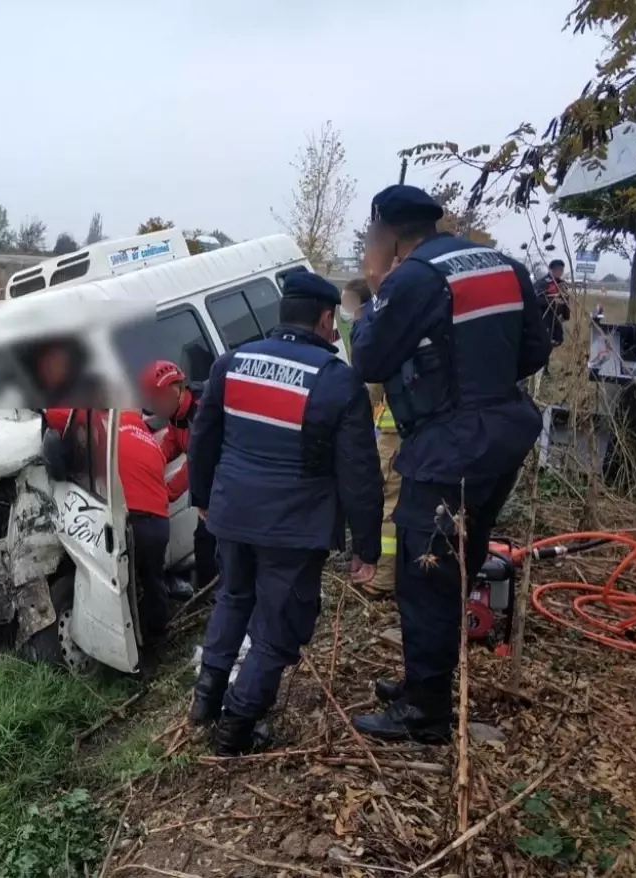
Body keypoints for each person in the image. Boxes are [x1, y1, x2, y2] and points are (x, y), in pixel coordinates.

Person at [349, 185, 551, 743]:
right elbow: (534, 351)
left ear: (387, 233)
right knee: (462, 560)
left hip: (450, 449)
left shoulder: (412, 278)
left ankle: (427, 711)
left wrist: (373, 288)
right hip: (504, 435)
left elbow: (367, 357)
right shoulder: (504, 264)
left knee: (427, 573)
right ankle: (425, 680)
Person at [186, 271, 383, 756]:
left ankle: (205, 703)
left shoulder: (230, 364)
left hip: (230, 515)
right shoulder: (337, 380)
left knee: (233, 599)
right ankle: (235, 728)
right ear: (323, 319)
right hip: (293, 529)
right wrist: (368, 545)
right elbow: (359, 472)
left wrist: (203, 498)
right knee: (277, 627)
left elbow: (202, 438)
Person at [42, 406, 181, 642]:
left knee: (121, 587)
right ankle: (158, 637)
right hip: (159, 523)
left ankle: (129, 647)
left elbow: (62, 415)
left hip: (130, 519)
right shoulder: (149, 440)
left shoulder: (107, 430)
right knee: (153, 580)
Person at [139, 360, 217, 599]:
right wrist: (150, 463)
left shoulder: (202, 411)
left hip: (223, 484)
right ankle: (209, 593)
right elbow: (172, 443)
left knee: (211, 542)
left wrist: (165, 493)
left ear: (173, 391)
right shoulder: (177, 415)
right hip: (210, 486)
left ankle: (215, 596)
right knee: (205, 542)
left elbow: (196, 462)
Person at [340, 278, 397, 599]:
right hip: (391, 431)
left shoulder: (379, 332)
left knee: (388, 502)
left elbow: (370, 386)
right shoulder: (386, 324)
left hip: (393, 434)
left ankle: (384, 577)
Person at [534, 259, 571, 351]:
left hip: (557, 318)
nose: (560, 272)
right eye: (557, 270)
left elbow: (566, 299)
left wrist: (566, 316)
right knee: (544, 342)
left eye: (561, 270)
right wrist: (553, 302)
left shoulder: (562, 284)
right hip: (544, 317)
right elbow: (536, 300)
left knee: (557, 339)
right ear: (551, 270)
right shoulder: (542, 283)